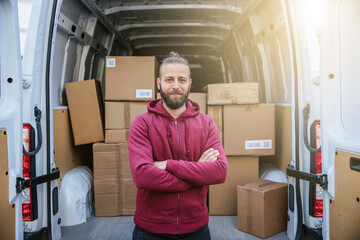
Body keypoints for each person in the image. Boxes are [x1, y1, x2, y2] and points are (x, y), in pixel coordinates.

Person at [128, 51, 228, 240]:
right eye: (169, 80)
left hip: (196, 229)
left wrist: (168, 165)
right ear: (158, 83)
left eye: (182, 80)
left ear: (189, 84)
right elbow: (142, 176)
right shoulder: (142, 123)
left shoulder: (207, 124)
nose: (176, 86)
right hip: (150, 231)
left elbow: (220, 172)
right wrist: (198, 172)